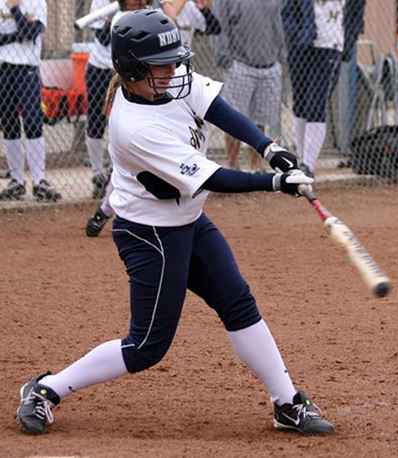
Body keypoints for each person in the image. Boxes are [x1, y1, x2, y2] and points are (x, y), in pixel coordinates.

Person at [16, 9, 334, 436]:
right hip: (151, 235)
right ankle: (45, 389)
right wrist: (276, 181)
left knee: (238, 303)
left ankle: (287, 402)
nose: (174, 71)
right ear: (132, 72)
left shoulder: (168, 81)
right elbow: (213, 176)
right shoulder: (134, 127)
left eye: (174, 61)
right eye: (161, 65)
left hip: (189, 219)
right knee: (146, 346)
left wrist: (270, 146)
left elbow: (217, 107)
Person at [85, 0, 153, 200]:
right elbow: (104, 38)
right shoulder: (101, 2)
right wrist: (110, 20)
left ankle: (118, 174)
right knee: (96, 120)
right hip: (100, 68)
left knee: (125, 122)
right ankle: (97, 174)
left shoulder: (144, 8)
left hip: (126, 70)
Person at [0, 0, 61, 201]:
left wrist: (14, 9)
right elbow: (23, 32)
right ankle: (16, 180)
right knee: (9, 124)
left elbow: (31, 33)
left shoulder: (37, 2)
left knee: (33, 123)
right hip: (3, 69)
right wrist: (20, 29)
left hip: (27, 69)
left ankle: (39, 181)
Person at [213, 0, 285, 172]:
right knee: (233, 118)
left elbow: (278, 24)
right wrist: (224, 58)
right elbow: (220, 26)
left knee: (260, 121)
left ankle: (256, 165)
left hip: (269, 64)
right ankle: (233, 164)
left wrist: (281, 56)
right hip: (239, 64)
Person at [281, 0, 345, 178]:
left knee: (315, 105)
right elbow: (287, 13)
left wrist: (346, 44)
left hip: (327, 47)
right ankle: (301, 160)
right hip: (300, 47)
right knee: (300, 105)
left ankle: (308, 164)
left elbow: (354, 14)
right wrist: (298, 35)